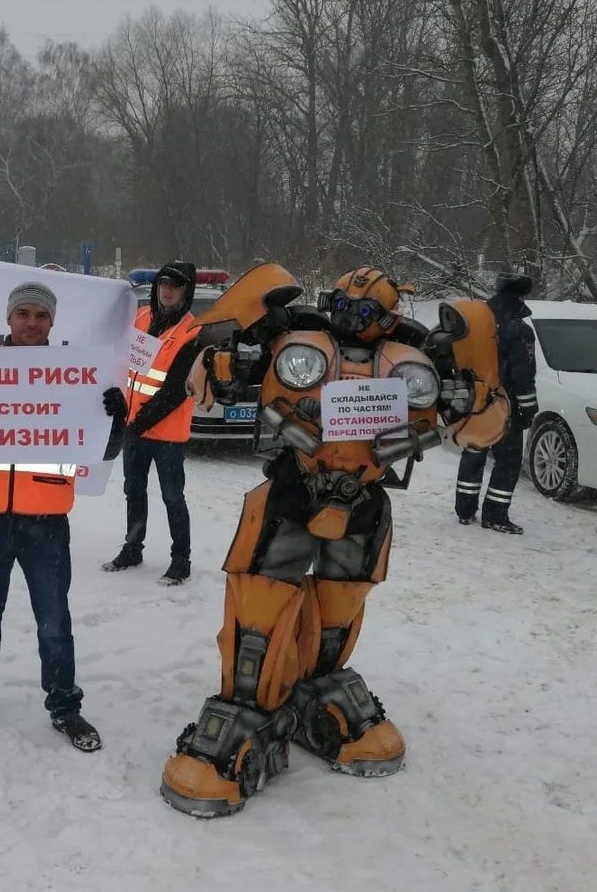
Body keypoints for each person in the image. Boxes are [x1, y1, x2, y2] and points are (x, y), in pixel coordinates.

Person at [158, 263, 508, 817]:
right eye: (341, 306)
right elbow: (207, 383)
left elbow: (480, 426)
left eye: (366, 312)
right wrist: (226, 361)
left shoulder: (414, 359)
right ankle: (246, 702)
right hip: (294, 488)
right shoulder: (295, 340)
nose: (351, 319)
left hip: (364, 495)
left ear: (388, 317)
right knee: (261, 601)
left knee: (341, 601)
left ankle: (318, 683)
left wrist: (474, 395)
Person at [0, 280, 128, 752]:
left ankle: (65, 708)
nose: (31, 323)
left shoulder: (75, 378)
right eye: (24, 314)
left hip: (46, 520)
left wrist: (115, 420)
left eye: (41, 316)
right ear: (9, 318)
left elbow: (104, 450)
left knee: (54, 621)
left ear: (52, 322)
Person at [103, 261, 201, 584]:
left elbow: (175, 391)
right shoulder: (141, 317)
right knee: (134, 490)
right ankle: (133, 548)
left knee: (173, 496)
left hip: (167, 432)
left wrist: (138, 422)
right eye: (163, 284)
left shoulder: (192, 333)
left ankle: (181, 560)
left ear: (186, 292)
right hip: (135, 426)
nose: (167, 290)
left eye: (175, 286)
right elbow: (119, 356)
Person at [455, 272, 539, 534]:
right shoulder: (519, 329)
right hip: (506, 402)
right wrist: (528, 408)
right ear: (521, 297)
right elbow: (523, 373)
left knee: (474, 450)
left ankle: (465, 509)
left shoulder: (479, 322)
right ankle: (495, 514)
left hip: (476, 397)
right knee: (509, 460)